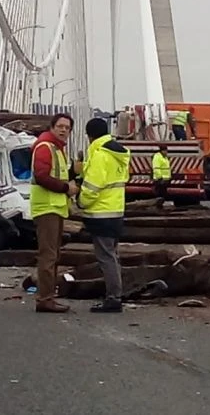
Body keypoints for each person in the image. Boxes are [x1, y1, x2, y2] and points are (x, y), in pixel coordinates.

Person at [77, 117, 130, 314]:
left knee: (106, 257)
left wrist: (80, 202)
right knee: (112, 255)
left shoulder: (100, 155)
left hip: (101, 213)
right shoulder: (118, 152)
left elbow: (92, 187)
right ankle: (115, 293)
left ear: (90, 136)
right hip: (115, 211)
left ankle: (114, 297)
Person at [30, 113, 79, 313]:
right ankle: (45, 299)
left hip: (54, 207)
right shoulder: (45, 147)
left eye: (67, 128)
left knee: (52, 254)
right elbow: (41, 176)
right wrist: (66, 189)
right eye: (60, 126)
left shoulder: (57, 149)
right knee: (48, 256)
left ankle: (48, 296)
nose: (63, 130)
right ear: (51, 127)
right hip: (47, 207)